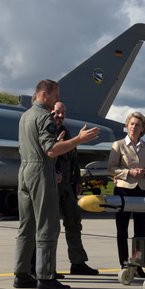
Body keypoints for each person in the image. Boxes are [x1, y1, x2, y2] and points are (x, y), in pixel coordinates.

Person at [13, 80, 100, 289]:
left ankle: (22, 274)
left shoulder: (25, 116)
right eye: (55, 96)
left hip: (24, 171)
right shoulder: (44, 117)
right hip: (41, 172)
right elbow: (51, 151)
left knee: (27, 226)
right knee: (48, 226)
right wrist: (78, 139)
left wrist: (63, 142)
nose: (56, 101)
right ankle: (46, 277)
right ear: (45, 94)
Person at [52, 102, 99, 276]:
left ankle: (78, 262)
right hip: (52, 186)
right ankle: (46, 267)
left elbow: (73, 157)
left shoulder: (66, 131)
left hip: (68, 186)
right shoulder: (47, 131)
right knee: (50, 228)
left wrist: (77, 180)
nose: (60, 116)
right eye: (57, 112)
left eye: (63, 113)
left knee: (74, 223)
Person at [108, 112, 145, 278]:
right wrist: (129, 172)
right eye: (132, 124)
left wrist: (144, 173)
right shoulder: (118, 145)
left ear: (143, 129)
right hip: (123, 189)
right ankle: (124, 264)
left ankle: (138, 265)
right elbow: (111, 168)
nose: (134, 127)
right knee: (122, 230)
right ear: (127, 126)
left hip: (141, 190)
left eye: (138, 125)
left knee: (141, 231)